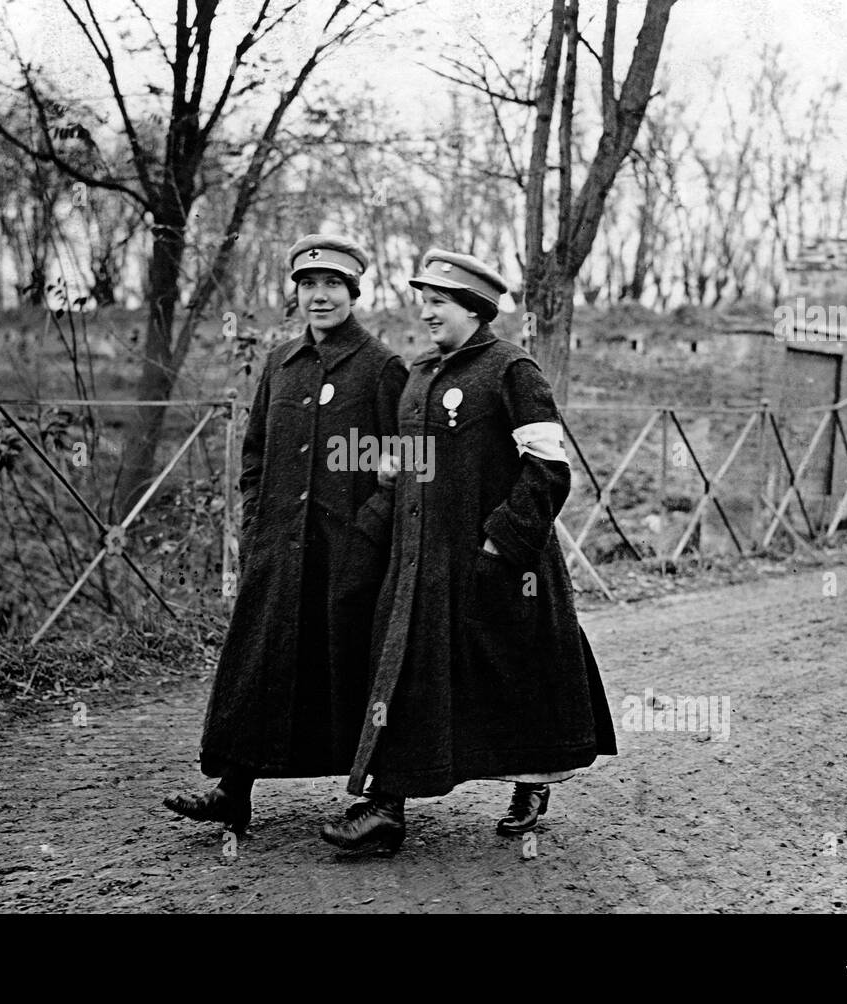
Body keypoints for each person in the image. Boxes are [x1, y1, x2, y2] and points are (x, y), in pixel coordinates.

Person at [320, 249, 618, 854]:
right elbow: (401, 473)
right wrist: (370, 537)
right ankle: (384, 808)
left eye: (440, 302)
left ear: (476, 310)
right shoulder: (419, 375)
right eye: (424, 300)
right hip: (418, 567)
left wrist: (499, 542)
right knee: (400, 672)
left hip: (499, 567)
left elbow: (549, 469)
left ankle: (532, 782)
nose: (426, 312)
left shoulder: (512, 369)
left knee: (515, 675)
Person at [164, 235, 407, 833]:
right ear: (295, 292)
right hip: (278, 547)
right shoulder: (280, 363)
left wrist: (367, 537)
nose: (318, 296)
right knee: (259, 662)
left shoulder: (382, 369)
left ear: (354, 292)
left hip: (348, 554)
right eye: (307, 285)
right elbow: (255, 455)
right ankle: (233, 791)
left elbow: (403, 469)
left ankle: (385, 803)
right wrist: (256, 524)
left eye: (332, 286)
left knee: (357, 668)